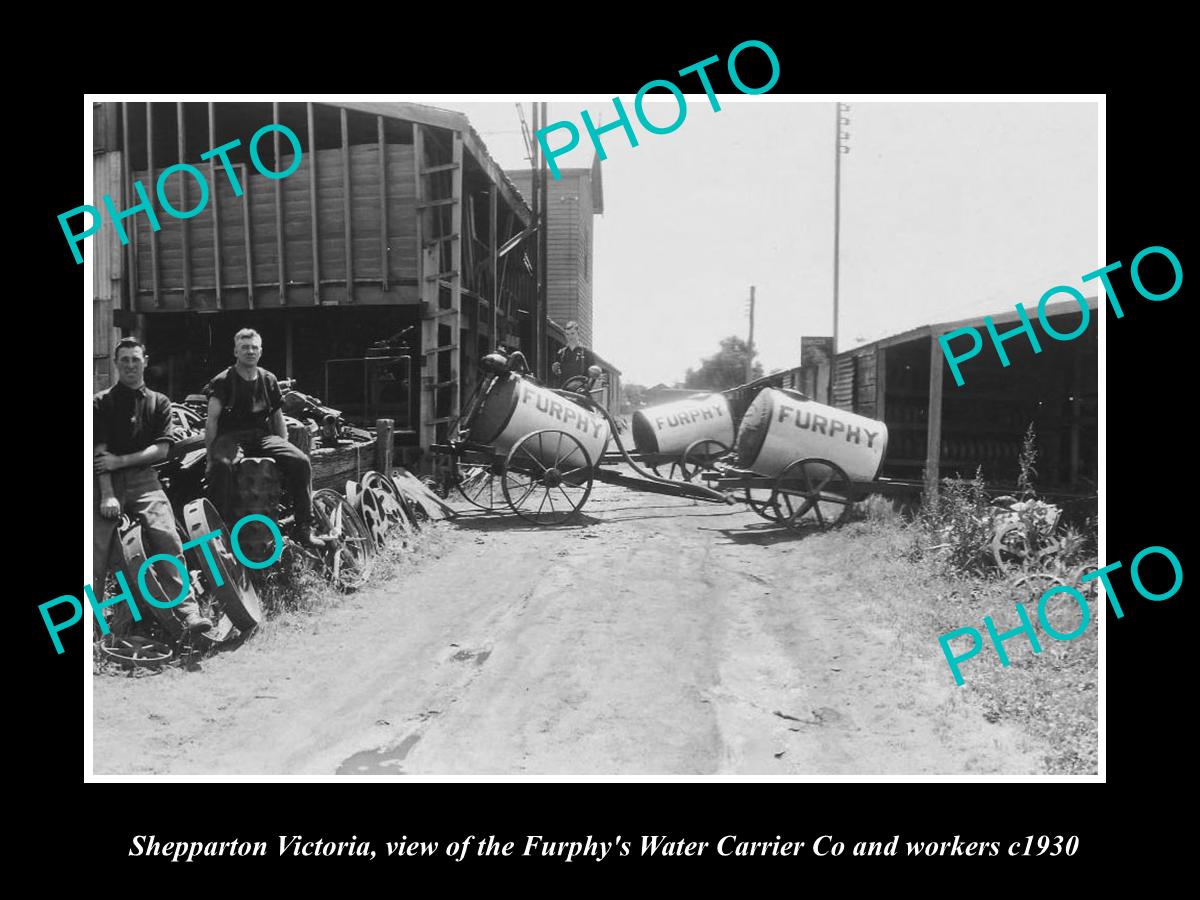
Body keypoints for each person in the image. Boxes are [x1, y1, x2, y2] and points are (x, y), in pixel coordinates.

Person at [94, 337, 212, 635]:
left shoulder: (159, 402)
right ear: (117, 364)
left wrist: (119, 462)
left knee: (167, 537)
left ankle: (188, 612)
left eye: (135, 359)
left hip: (145, 481)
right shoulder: (101, 402)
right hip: (104, 484)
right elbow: (99, 455)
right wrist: (107, 495)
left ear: (145, 361)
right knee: (95, 550)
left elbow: (161, 451)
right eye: (124, 360)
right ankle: (92, 627)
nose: (130, 365)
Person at [204, 329, 326, 548]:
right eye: (244, 347)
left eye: (254, 347)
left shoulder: (268, 379)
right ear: (236, 351)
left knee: (301, 462)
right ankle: (219, 534)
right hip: (230, 437)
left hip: (260, 437)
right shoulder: (223, 380)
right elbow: (211, 421)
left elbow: (277, 418)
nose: (249, 351)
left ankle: (303, 528)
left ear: (260, 352)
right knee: (221, 467)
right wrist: (210, 457)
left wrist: (284, 449)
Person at [551, 320, 597, 388]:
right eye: (567, 334)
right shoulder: (561, 354)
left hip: (580, 393)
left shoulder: (587, 353)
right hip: (564, 392)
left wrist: (587, 387)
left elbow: (593, 376)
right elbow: (556, 377)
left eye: (572, 333)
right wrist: (554, 371)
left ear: (578, 334)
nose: (570, 337)